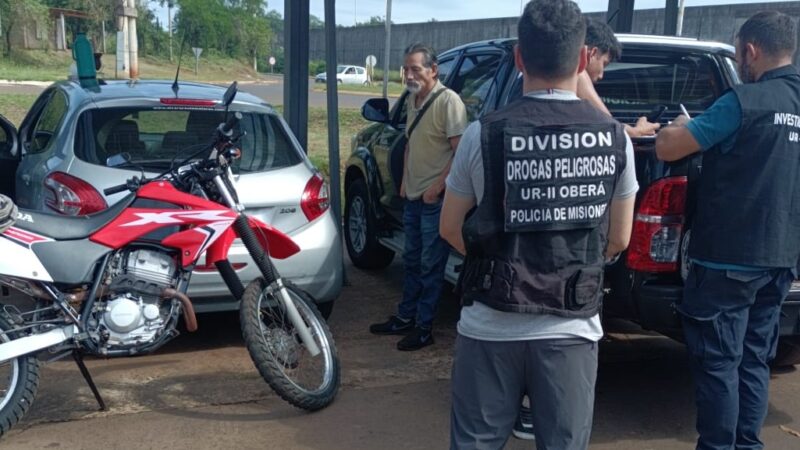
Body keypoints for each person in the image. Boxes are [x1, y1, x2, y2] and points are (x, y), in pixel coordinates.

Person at [441, 1, 637, 448]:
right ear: (585, 59)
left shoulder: (482, 133)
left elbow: (450, 228)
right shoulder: (614, 139)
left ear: (518, 57)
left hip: (490, 323)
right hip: (571, 328)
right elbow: (619, 239)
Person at [655, 11, 800, 450]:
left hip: (725, 262)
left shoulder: (741, 102)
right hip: (781, 259)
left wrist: (679, 127)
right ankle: (747, 445)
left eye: (738, 53)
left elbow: (669, 147)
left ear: (750, 51)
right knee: (754, 359)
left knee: (719, 363)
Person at [510, 16, 658, 443]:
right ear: (585, 53)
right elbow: (605, 129)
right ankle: (531, 406)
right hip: (576, 253)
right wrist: (635, 133)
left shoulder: (500, 123)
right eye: (603, 61)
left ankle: (526, 404)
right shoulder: (579, 86)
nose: (602, 72)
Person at [369, 43, 468, 351]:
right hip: (412, 196)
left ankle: (424, 327)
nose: (409, 74)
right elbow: (411, 141)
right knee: (411, 260)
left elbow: (460, 153)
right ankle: (405, 317)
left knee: (430, 265)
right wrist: (405, 183)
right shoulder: (414, 99)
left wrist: (437, 187)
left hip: (434, 201)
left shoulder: (449, 102)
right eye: (406, 69)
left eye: (416, 69)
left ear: (433, 70)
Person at [577, 18, 661, 138]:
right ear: (591, 54)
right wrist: (636, 131)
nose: (601, 75)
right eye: (604, 64)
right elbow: (608, 125)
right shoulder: (578, 74)